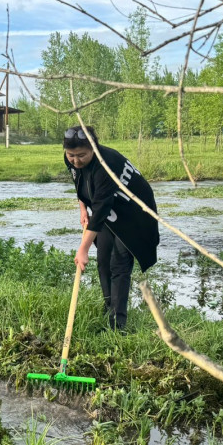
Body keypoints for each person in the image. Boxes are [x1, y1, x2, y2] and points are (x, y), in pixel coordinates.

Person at [63, 125, 159, 332]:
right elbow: (79, 184)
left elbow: (100, 212)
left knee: (120, 264)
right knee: (104, 259)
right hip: (110, 208)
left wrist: (83, 249)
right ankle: (108, 309)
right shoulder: (70, 160)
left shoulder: (106, 165)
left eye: (81, 155)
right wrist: (82, 209)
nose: (76, 161)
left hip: (135, 213)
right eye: (71, 155)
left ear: (94, 150)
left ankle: (118, 325)